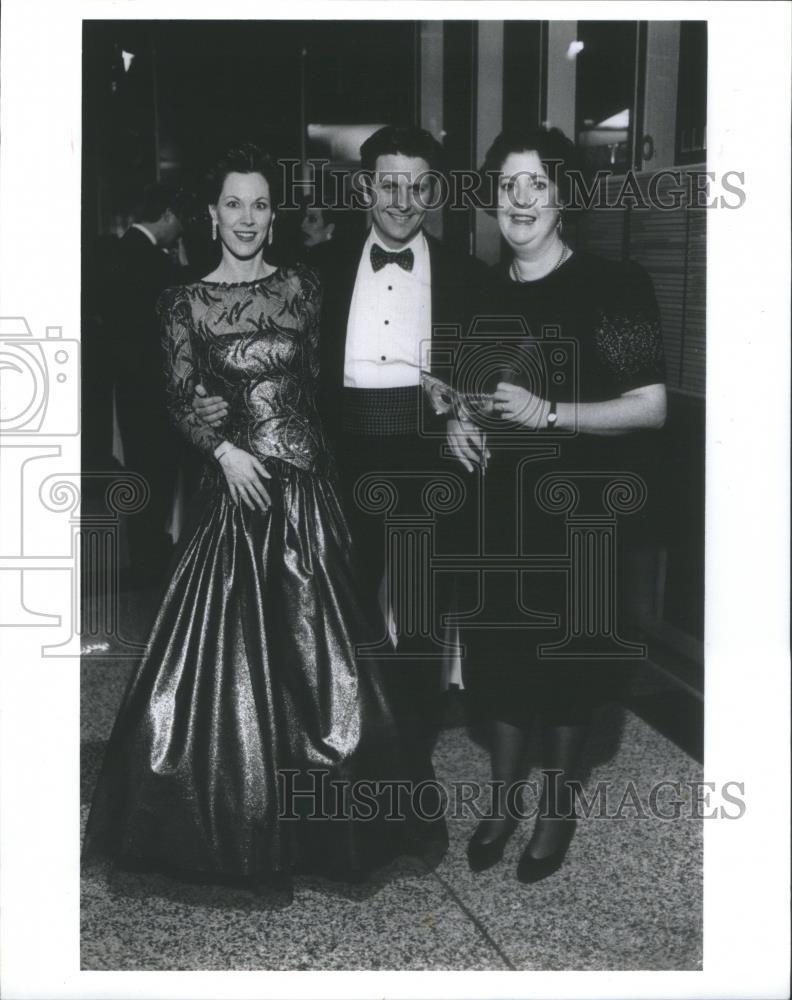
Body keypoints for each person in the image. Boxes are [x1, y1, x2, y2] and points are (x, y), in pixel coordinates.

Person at [83, 144, 446, 889]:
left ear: (272, 213)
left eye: (258, 204)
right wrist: (219, 445)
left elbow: (317, 389)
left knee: (329, 670)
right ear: (211, 215)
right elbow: (177, 397)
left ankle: (329, 833)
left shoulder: (305, 288)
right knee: (226, 667)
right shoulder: (181, 301)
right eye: (232, 204)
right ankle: (228, 828)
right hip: (237, 495)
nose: (247, 217)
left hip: (310, 495)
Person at [193, 126, 484, 757]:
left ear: (433, 191)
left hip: (427, 460)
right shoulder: (315, 272)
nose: (402, 201)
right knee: (334, 617)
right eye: (388, 184)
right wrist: (213, 403)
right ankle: (343, 762)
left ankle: (409, 765)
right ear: (365, 187)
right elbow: (264, 357)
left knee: (422, 621)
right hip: (335, 462)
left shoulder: (467, 273)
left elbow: (492, 366)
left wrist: (466, 407)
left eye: (417, 186)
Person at [449, 126, 667, 883]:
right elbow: (467, 389)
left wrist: (549, 413)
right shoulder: (478, 287)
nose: (519, 201)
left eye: (535, 184)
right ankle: (505, 798)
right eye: (506, 186)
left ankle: (556, 809)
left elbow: (648, 406)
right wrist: (456, 420)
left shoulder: (617, 285)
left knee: (572, 664)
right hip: (499, 512)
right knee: (502, 657)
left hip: (582, 514)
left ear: (563, 194)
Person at [104, 182, 192, 585]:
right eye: (183, 222)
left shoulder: (124, 252)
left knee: (143, 476)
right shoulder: (154, 264)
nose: (183, 231)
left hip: (131, 389)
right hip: (153, 393)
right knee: (155, 477)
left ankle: (147, 559)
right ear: (170, 215)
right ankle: (150, 565)